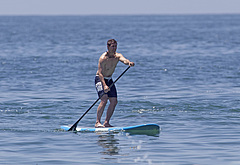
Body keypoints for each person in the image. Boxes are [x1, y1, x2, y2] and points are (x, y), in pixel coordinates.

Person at [95, 39, 135, 128]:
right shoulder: (103, 58)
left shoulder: (117, 56)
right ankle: (97, 122)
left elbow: (124, 60)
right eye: (113, 46)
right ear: (108, 47)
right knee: (104, 99)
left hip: (109, 79)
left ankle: (106, 122)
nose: (114, 48)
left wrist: (129, 63)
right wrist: (104, 85)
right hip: (100, 79)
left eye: (116, 46)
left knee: (114, 101)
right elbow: (100, 73)